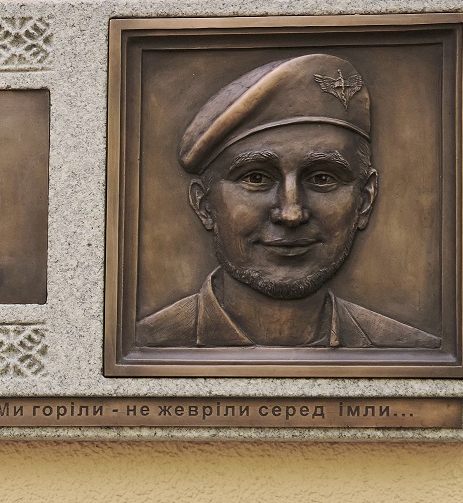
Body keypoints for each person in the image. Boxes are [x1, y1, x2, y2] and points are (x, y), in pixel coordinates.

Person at [137, 54, 440, 349]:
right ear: (204, 205)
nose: (291, 213)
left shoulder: (406, 346)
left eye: (322, 178)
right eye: (256, 178)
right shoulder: (150, 343)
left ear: (364, 200)